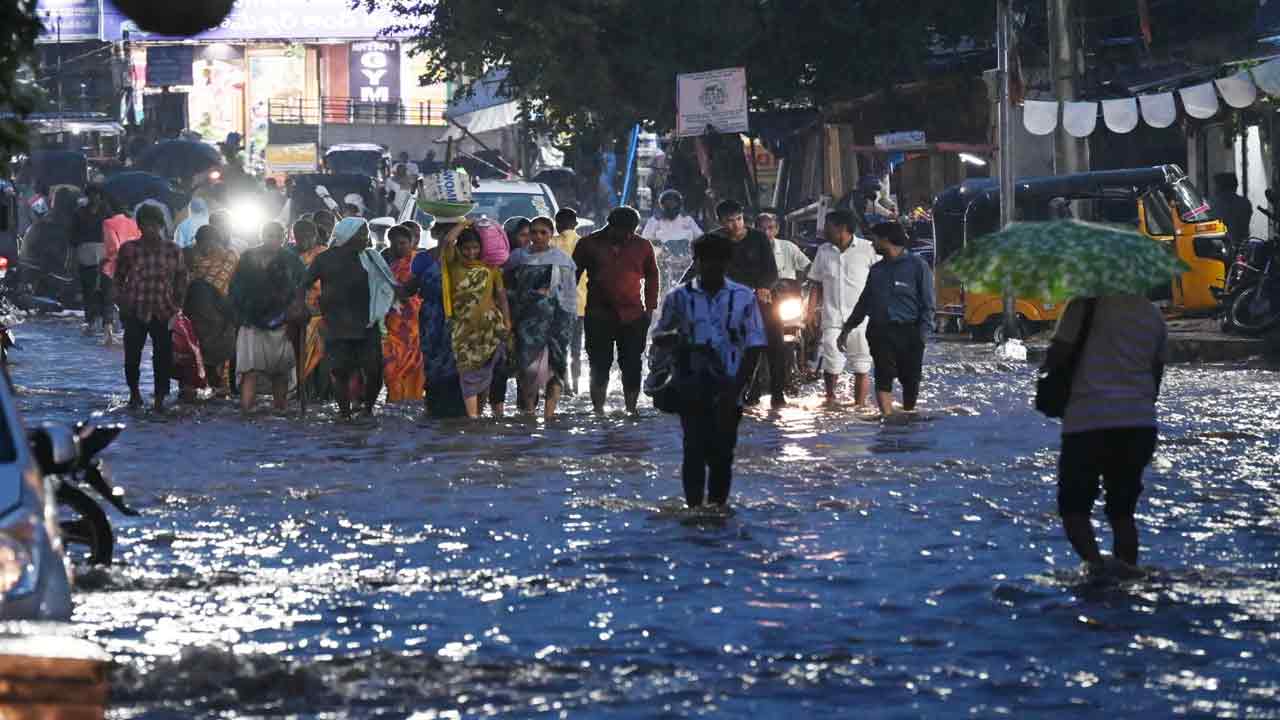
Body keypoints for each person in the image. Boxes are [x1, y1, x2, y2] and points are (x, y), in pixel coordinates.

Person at [1045, 293, 1167, 572]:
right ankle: (1126, 574)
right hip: (1138, 425)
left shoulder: (1081, 306)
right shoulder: (1152, 313)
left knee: (1074, 510)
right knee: (1123, 513)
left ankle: (1096, 569)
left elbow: (1056, 356)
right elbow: (1156, 374)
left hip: (1087, 422)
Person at [652, 231, 765, 508]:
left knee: (723, 453)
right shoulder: (679, 297)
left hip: (730, 384)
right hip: (690, 381)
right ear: (697, 261)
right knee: (693, 449)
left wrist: (740, 387)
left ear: (727, 263)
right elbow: (659, 337)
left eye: (717, 261)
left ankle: (716, 508)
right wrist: (678, 343)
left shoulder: (743, 298)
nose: (711, 266)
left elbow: (755, 345)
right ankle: (694, 509)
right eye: (705, 260)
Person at [690, 200, 782, 406]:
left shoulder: (758, 238)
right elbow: (696, 268)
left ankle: (778, 395)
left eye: (738, 219)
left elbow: (771, 270)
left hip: (761, 298)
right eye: (730, 221)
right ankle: (740, 391)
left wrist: (765, 287)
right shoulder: (712, 240)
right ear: (721, 221)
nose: (736, 225)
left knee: (776, 343)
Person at [838, 221, 935, 417]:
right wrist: (846, 329)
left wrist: (922, 336)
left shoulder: (918, 266)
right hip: (880, 331)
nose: (872, 244)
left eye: (874, 239)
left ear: (885, 240)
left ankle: (908, 418)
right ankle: (888, 420)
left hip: (910, 332)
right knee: (883, 375)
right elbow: (864, 303)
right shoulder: (876, 270)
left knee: (911, 381)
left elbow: (928, 304)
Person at [573, 206, 659, 415]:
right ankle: (598, 411)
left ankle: (631, 409)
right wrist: (568, 306)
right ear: (610, 226)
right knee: (599, 364)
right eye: (623, 231)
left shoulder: (643, 246)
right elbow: (572, 275)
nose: (628, 236)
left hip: (633, 316)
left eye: (631, 231)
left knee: (632, 364)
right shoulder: (588, 244)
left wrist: (650, 309)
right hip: (597, 314)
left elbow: (653, 277)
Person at [300, 218, 389, 418]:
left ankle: (367, 409)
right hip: (337, 323)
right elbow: (303, 283)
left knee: (374, 372)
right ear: (348, 236)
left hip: (367, 323)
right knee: (340, 372)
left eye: (366, 233)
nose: (366, 238)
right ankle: (344, 414)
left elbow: (388, 283)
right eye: (362, 233)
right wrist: (300, 307)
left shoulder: (371, 258)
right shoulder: (325, 259)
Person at [113, 202, 189, 412]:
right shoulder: (129, 249)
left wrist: (177, 306)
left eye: (155, 225)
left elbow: (182, 278)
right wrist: (122, 302)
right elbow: (118, 277)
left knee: (163, 357)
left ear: (161, 225)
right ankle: (134, 394)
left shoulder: (173, 250)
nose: (151, 229)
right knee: (132, 356)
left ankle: (159, 398)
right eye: (146, 225)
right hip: (135, 309)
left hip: (164, 310)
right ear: (140, 226)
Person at [228, 221, 305, 413]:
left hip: (281, 322)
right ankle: (246, 411)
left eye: (277, 236)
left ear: (284, 238)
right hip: (251, 321)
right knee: (249, 370)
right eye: (269, 235)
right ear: (262, 236)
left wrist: (296, 309)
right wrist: (239, 315)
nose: (273, 240)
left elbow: (303, 286)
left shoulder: (291, 260)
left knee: (281, 372)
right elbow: (235, 288)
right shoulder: (247, 257)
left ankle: (280, 410)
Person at [439, 221, 511, 418]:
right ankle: (473, 419)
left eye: (475, 248)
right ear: (460, 249)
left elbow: (502, 296)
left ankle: (480, 413)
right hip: (464, 329)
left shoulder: (490, 267)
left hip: (490, 329)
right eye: (466, 248)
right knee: (467, 373)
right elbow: (448, 240)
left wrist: (507, 322)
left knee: (487, 374)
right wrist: (466, 223)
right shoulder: (453, 263)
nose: (471, 252)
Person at [507, 216, 577, 418]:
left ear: (551, 235)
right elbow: (507, 287)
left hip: (556, 320)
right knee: (528, 367)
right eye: (533, 232)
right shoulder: (518, 258)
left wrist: (566, 322)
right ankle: (529, 411)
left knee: (555, 366)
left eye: (543, 232)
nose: (537, 236)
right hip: (526, 321)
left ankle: (550, 413)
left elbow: (570, 295)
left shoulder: (562, 260)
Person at [812, 210, 878, 408]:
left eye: (827, 227)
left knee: (861, 363)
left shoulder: (868, 249)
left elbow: (881, 279)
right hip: (831, 316)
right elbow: (816, 283)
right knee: (830, 358)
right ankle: (830, 400)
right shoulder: (823, 251)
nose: (824, 231)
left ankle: (859, 405)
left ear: (842, 229)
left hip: (862, 318)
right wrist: (809, 312)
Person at [406, 220, 467, 418]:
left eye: (451, 232)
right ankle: (433, 406)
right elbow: (411, 287)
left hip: (458, 315)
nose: (447, 237)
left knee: (457, 361)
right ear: (435, 233)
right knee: (432, 360)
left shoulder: (463, 256)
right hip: (431, 316)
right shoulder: (423, 259)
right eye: (443, 232)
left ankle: (457, 409)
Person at [184, 224, 240, 399]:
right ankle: (192, 389)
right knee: (193, 353)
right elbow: (182, 283)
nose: (208, 248)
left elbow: (235, 285)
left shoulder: (231, 257)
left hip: (222, 313)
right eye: (203, 244)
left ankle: (220, 390)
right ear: (197, 243)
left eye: (211, 243)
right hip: (196, 314)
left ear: (218, 242)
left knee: (221, 356)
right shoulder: (188, 256)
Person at [382, 224, 425, 403]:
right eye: (394, 244)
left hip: (415, 324)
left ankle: (412, 402)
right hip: (391, 324)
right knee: (392, 369)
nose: (399, 247)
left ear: (411, 242)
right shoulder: (383, 260)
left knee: (415, 368)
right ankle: (394, 401)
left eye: (403, 243)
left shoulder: (420, 261)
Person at [292, 219, 332, 403]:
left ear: (316, 236)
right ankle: (302, 394)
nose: (304, 241)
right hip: (298, 314)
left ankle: (323, 395)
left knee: (322, 358)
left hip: (322, 313)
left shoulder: (325, 254)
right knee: (299, 358)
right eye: (300, 237)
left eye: (308, 236)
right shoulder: (290, 255)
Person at [551, 207, 588, 395]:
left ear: (556, 225)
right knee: (576, 350)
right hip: (581, 306)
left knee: (559, 348)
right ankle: (575, 387)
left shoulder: (552, 242)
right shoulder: (585, 243)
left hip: (558, 305)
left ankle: (562, 384)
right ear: (576, 224)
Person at [642, 189, 702, 294]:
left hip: (685, 257)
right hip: (665, 259)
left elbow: (700, 237)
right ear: (662, 206)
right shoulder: (655, 221)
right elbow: (645, 239)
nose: (671, 206)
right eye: (668, 204)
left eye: (673, 203)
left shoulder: (686, 220)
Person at [101, 197, 142, 346]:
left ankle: (108, 334)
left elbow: (112, 246)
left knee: (108, 300)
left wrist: (106, 259)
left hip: (114, 267)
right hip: (132, 267)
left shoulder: (108, 223)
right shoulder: (134, 223)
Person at [72, 185, 111, 336]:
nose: (95, 198)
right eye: (92, 195)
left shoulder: (106, 212)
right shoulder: (80, 213)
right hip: (88, 252)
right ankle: (92, 320)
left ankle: (103, 321)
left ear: (100, 196)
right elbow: (73, 235)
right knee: (90, 287)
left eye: (97, 195)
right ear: (89, 196)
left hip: (101, 251)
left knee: (103, 287)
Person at [758, 211, 811, 282]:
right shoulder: (748, 249)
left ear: (777, 229)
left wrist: (799, 284)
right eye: (762, 228)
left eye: (770, 228)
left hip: (786, 291)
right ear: (756, 230)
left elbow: (808, 266)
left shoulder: (789, 247)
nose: (766, 232)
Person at [1210, 172, 1254, 251]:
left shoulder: (1216, 204)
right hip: (1242, 247)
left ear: (1221, 187)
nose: (1213, 188)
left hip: (1221, 249)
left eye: (1215, 185)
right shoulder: (1245, 203)